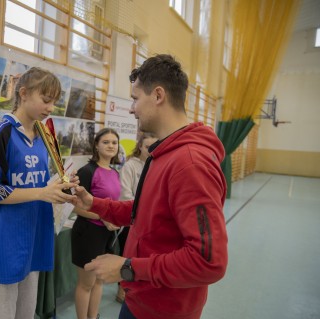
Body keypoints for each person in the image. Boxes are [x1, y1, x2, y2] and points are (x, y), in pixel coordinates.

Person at [72, 54, 228, 319]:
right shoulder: (165, 152)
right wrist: (95, 204)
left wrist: (128, 268)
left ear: (158, 95)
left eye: (135, 98)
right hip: (142, 297)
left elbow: (208, 261)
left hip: (163, 309)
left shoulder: (190, 163)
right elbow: (147, 211)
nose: (132, 109)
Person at [0, 67, 77, 319]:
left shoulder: (44, 135)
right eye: (46, 99)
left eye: (54, 101)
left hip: (35, 232)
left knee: (27, 307)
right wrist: (43, 192)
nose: (51, 107)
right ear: (23, 93)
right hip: (5, 235)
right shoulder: (0, 132)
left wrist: (61, 185)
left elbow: (40, 183)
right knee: (2, 306)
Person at [71, 128, 122, 319]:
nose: (110, 146)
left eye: (114, 142)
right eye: (106, 142)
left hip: (106, 235)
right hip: (87, 233)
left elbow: (113, 206)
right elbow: (75, 207)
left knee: (99, 281)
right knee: (86, 284)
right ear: (96, 146)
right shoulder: (87, 171)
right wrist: (103, 218)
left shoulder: (115, 172)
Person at [115, 131, 157, 303]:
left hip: (150, 223)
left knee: (143, 259)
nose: (150, 150)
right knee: (127, 257)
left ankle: (137, 289)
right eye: (147, 147)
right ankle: (121, 289)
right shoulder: (130, 166)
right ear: (140, 146)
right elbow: (125, 194)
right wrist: (143, 211)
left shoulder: (157, 164)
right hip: (132, 220)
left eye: (153, 146)